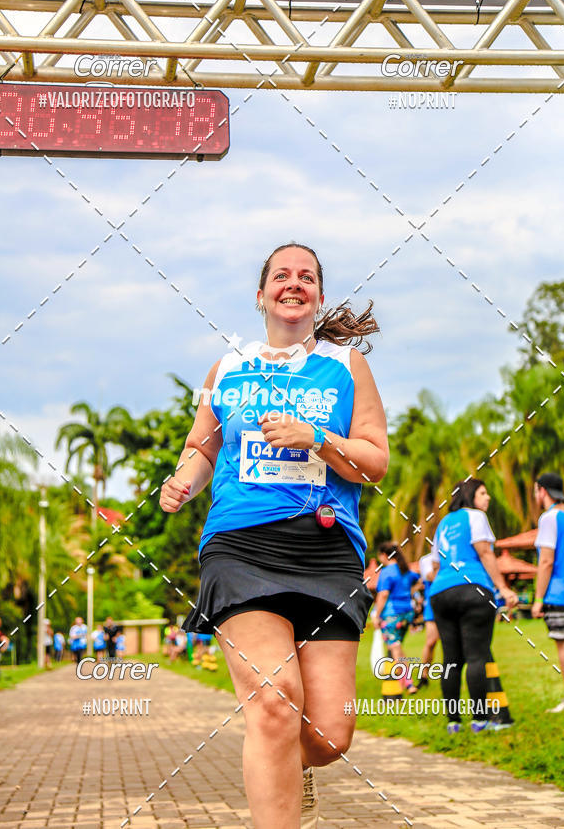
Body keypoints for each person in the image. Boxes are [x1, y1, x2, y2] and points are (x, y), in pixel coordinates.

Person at [159, 243, 388, 829]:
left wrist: (315, 436)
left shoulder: (346, 367)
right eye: (281, 275)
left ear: (316, 294)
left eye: (306, 276)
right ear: (260, 294)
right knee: (274, 701)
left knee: (328, 737)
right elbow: (202, 446)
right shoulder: (226, 369)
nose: (294, 283)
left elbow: (373, 461)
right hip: (241, 545)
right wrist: (183, 480)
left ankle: (294, 764)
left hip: (326, 550)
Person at [429, 479, 518, 733]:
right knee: (476, 656)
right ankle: (480, 720)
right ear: (470, 495)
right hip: (473, 588)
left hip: (441, 592)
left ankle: (454, 722)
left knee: (451, 660)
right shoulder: (476, 517)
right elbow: (485, 552)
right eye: (483, 492)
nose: (487, 497)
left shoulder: (443, 524)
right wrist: (502, 588)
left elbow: (435, 566)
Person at [531, 471, 564, 713]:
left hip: (558, 593)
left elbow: (546, 561)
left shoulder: (549, 518)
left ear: (542, 491)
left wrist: (538, 599)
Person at [371, 542, 420, 694]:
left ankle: (408, 684)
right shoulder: (405, 570)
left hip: (392, 615)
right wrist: (410, 593)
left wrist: (376, 615)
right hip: (407, 613)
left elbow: (383, 594)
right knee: (397, 647)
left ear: (385, 555)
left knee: (395, 649)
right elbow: (418, 581)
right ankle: (406, 680)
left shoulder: (387, 572)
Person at [417, 551, 440, 689]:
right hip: (432, 604)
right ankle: (424, 675)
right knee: (431, 642)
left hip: (451, 601)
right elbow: (430, 576)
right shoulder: (426, 559)